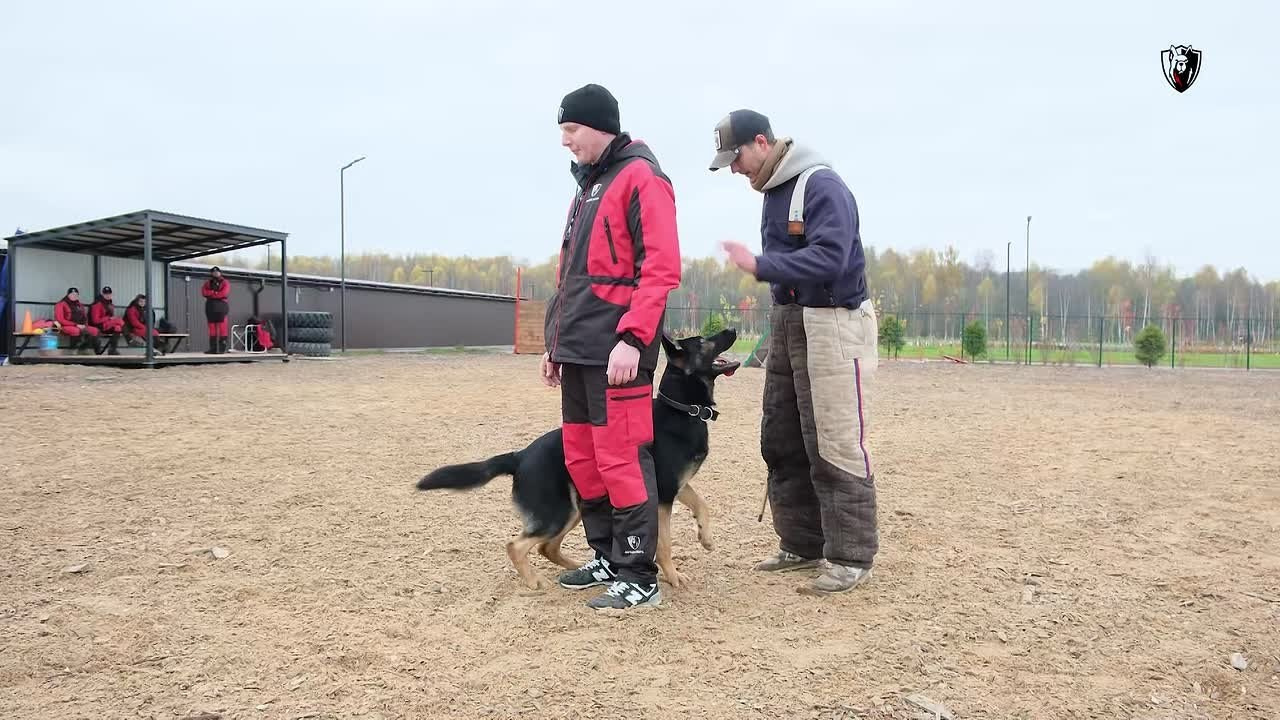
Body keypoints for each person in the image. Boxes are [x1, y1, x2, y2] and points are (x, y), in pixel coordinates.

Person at [710, 109, 880, 595]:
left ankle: (850, 556)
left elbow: (832, 257)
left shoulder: (821, 185)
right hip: (789, 321)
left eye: (736, 156)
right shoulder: (775, 190)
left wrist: (759, 264)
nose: (734, 168)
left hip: (831, 319)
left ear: (761, 142)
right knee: (783, 437)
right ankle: (802, 543)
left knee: (834, 439)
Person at [541, 83, 682, 610]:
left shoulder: (642, 177)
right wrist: (554, 343)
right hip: (578, 347)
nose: (564, 141)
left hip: (618, 351)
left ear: (600, 126)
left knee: (621, 457)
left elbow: (661, 268)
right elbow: (570, 276)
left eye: (571, 129)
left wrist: (632, 338)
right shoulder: (589, 184)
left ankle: (638, 572)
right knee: (582, 457)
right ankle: (605, 554)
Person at [53, 287, 101, 351]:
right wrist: (75, 325)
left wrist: (85, 325)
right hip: (65, 326)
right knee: (76, 331)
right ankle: (73, 351)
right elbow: (60, 320)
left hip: (80, 325)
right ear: (68, 295)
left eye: (76, 295)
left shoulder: (80, 305)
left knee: (94, 330)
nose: (74, 296)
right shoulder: (60, 304)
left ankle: (95, 352)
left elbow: (85, 317)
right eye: (72, 294)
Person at [201, 266, 230, 354]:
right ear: (211, 273)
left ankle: (222, 348)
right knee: (212, 328)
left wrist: (212, 294)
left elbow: (224, 293)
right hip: (210, 306)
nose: (215, 273)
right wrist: (215, 293)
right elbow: (204, 292)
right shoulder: (207, 282)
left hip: (221, 306)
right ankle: (213, 348)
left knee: (222, 327)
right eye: (213, 272)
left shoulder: (225, 282)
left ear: (220, 273)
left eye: (217, 272)